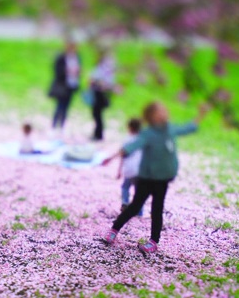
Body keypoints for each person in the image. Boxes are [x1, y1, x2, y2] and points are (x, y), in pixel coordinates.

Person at [101, 102, 210, 254]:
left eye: (164, 110)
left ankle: (153, 241)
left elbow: (188, 128)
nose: (164, 113)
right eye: (160, 111)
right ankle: (114, 229)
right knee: (134, 206)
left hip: (162, 179)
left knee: (157, 209)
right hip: (146, 178)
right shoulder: (148, 134)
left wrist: (201, 114)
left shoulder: (170, 129)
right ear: (151, 116)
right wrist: (112, 158)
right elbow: (131, 147)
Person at [48, 41, 81, 136]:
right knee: (59, 106)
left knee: (66, 107)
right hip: (62, 86)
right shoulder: (62, 57)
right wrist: (66, 71)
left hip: (71, 85)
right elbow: (57, 70)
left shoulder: (76, 58)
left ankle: (62, 126)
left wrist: (77, 72)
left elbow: (78, 70)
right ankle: (54, 126)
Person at [118, 118, 144, 216]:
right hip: (140, 170)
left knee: (125, 187)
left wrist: (119, 171)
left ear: (129, 128)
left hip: (129, 170)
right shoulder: (142, 140)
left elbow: (122, 155)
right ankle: (140, 212)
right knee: (139, 192)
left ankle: (125, 202)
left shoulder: (127, 139)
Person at [89, 49, 116, 141]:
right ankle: (98, 134)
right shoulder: (103, 69)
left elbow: (101, 82)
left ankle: (98, 135)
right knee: (97, 114)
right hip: (99, 93)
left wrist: (99, 83)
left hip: (100, 94)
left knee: (97, 114)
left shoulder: (103, 69)